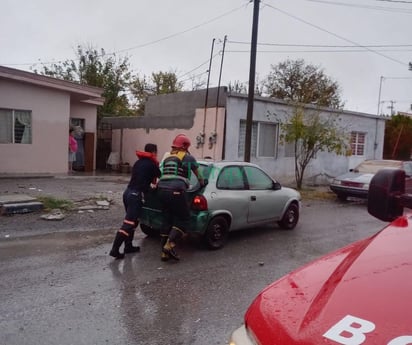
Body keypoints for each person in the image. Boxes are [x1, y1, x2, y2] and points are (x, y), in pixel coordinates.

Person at [157, 134, 204, 261]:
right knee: (184, 219)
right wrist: (202, 182)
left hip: (161, 190)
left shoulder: (168, 158)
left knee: (166, 219)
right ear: (185, 146)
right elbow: (197, 174)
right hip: (176, 190)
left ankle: (164, 253)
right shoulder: (188, 157)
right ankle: (169, 245)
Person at [109, 143, 161, 259]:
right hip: (135, 196)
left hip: (127, 193)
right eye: (156, 153)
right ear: (153, 152)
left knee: (134, 221)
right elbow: (158, 177)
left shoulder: (138, 163)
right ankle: (115, 249)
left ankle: (128, 246)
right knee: (128, 223)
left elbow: (141, 178)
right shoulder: (152, 164)